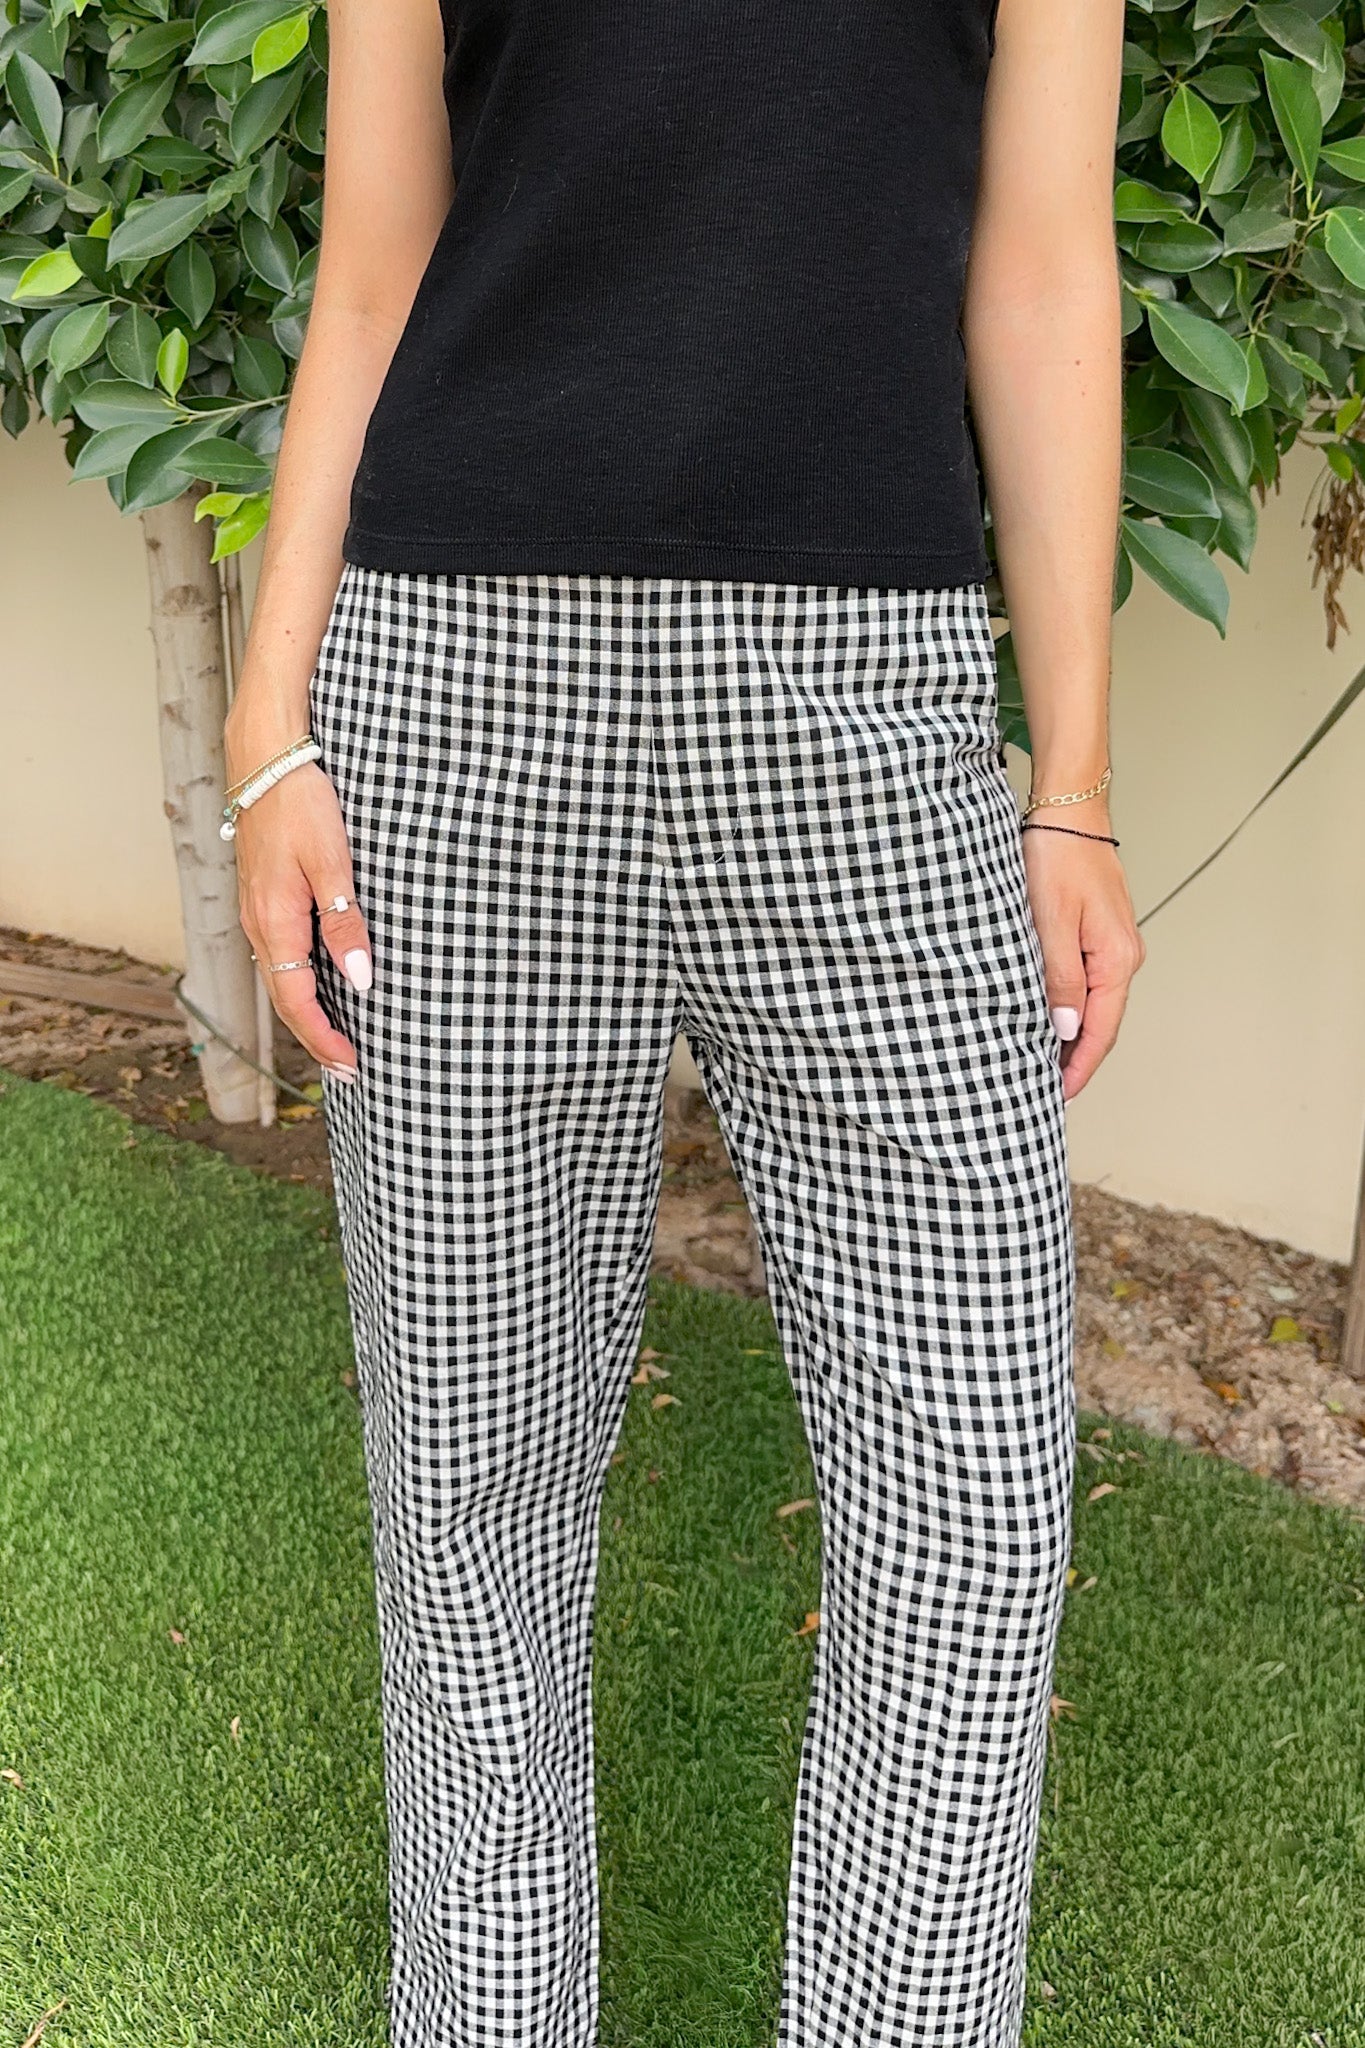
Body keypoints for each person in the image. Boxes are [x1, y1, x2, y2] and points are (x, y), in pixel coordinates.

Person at [223, 0, 1141, 2040]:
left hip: (868, 713)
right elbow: (374, 266)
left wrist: (1068, 786)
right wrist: (269, 724)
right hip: (455, 700)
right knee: (467, 1488)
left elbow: (1041, 265)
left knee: (977, 1499)